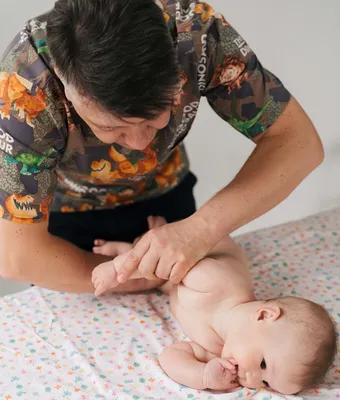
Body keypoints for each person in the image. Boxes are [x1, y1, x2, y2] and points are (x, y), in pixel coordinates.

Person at [0, 0, 323, 293]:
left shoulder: (196, 33)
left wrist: (200, 230)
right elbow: (18, 256)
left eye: (156, 118)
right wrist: (134, 276)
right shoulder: (23, 87)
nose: (141, 145)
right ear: (65, 84)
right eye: (111, 128)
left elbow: (298, 142)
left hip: (168, 201)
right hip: (62, 226)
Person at [91, 216, 337, 395]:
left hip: (171, 286)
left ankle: (128, 250)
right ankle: (135, 246)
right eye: (263, 365)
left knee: (153, 282)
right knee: (154, 258)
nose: (251, 380)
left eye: (265, 384)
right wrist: (118, 269)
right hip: (187, 245)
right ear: (264, 315)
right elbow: (169, 258)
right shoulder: (216, 283)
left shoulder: (222, 351)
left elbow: (171, 356)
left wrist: (204, 375)